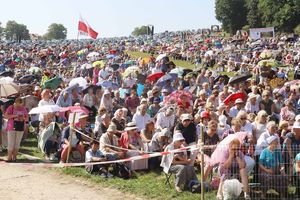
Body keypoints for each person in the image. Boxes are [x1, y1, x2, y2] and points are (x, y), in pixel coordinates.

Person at [4, 97, 29, 162]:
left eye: (20, 105)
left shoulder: (23, 108)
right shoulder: (11, 107)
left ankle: (14, 157)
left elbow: (27, 118)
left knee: (17, 143)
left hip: (20, 127)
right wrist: (15, 116)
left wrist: (22, 118)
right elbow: (6, 116)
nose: (19, 106)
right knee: (10, 143)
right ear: (15, 102)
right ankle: (9, 157)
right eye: (17, 104)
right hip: (11, 127)